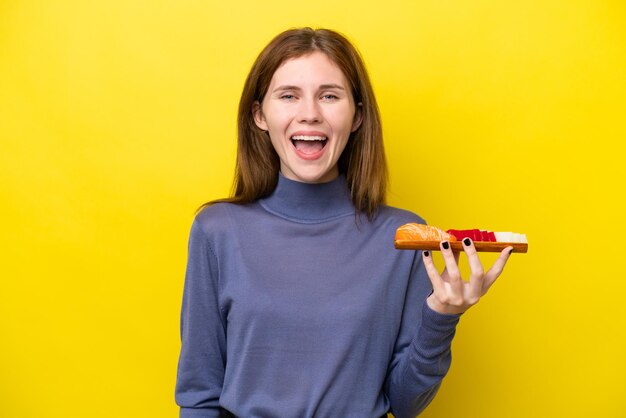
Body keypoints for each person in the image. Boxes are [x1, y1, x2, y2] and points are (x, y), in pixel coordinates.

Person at [175, 27, 513, 418]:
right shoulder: (217, 231)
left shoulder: (403, 238)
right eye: (288, 96)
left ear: (357, 117)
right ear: (259, 115)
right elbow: (199, 396)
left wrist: (442, 316)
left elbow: (405, 404)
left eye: (330, 96)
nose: (310, 113)